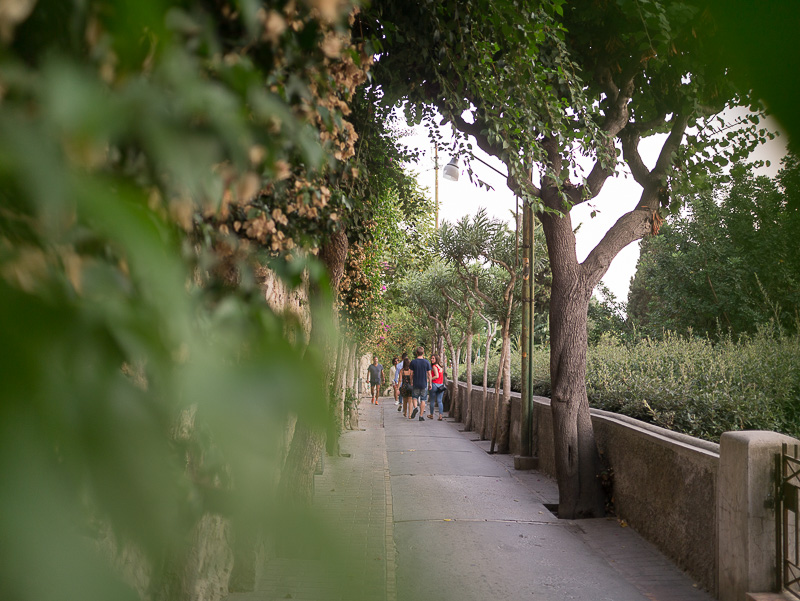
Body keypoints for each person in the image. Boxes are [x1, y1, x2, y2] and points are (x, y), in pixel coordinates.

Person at [409, 346, 432, 421]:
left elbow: (411, 373)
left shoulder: (413, 362)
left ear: (416, 353)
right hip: (424, 384)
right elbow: (429, 374)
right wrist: (430, 383)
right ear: (423, 353)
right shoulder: (426, 362)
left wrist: (411, 381)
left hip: (416, 383)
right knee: (423, 399)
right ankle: (421, 416)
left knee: (414, 397)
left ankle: (415, 408)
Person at [427, 354, 445, 420]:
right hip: (441, 385)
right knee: (440, 401)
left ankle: (431, 414)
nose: (431, 359)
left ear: (436, 359)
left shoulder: (434, 366)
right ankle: (440, 415)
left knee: (432, 400)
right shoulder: (440, 367)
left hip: (434, 384)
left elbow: (436, 376)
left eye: (433, 358)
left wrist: (429, 379)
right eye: (431, 358)